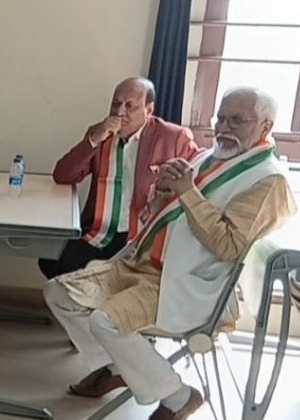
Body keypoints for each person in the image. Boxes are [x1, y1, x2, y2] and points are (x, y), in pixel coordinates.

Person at [44, 87, 297, 420]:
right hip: (142, 263)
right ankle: (117, 367)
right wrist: (162, 194)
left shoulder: (268, 181)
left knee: (106, 322)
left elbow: (228, 245)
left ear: (265, 126)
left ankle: (179, 398)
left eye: (236, 121)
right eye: (220, 119)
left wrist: (186, 191)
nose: (223, 128)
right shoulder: (211, 157)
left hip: (181, 281)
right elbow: (164, 214)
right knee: (58, 293)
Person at [40, 77, 200, 279]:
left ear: (149, 109)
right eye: (116, 104)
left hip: (142, 235)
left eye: (130, 106)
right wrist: (93, 140)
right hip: (100, 231)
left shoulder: (174, 137)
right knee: (50, 260)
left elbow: (196, 183)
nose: (120, 112)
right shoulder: (100, 133)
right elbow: (62, 176)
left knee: (111, 278)